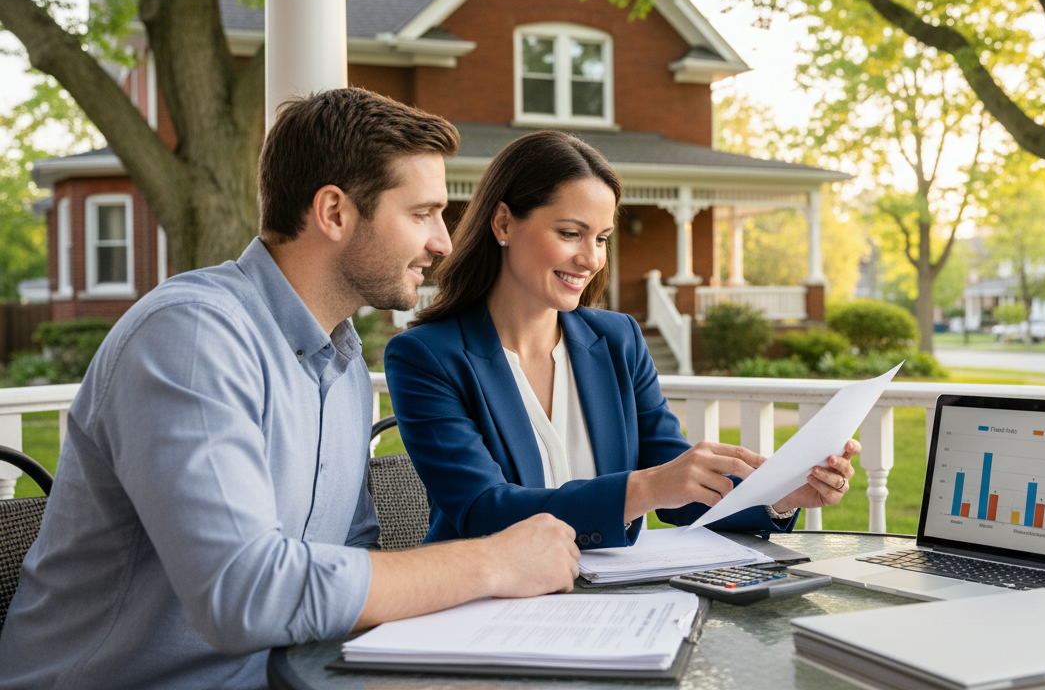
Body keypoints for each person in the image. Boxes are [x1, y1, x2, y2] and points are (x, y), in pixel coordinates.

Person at [0, 89, 580, 690]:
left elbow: (355, 553)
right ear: (333, 212)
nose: (444, 242)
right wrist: (491, 562)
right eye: (421, 213)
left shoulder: (345, 362)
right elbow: (243, 593)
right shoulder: (193, 338)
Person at [383, 130, 858, 551]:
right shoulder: (425, 356)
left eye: (603, 238)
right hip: (483, 607)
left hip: (618, 607)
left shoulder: (618, 340)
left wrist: (775, 495)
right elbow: (483, 511)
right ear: (504, 223)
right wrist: (645, 490)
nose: (590, 259)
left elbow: (680, 488)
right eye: (571, 233)